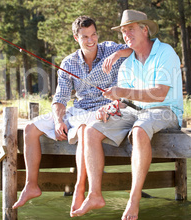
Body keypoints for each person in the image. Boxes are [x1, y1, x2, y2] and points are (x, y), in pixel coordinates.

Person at [12, 15, 132, 213]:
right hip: (78, 110)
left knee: (83, 131)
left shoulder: (110, 48)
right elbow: (60, 99)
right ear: (76, 38)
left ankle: (80, 189)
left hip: (103, 111)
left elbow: (137, 48)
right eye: (85, 36)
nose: (91, 40)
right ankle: (31, 185)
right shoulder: (69, 63)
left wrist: (118, 55)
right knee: (30, 128)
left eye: (93, 34)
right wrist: (59, 121)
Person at [71, 10, 183, 220]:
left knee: (139, 130)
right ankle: (95, 194)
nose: (126, 35)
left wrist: (122, 93)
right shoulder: (128, 62)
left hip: (166, 111)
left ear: (145, 29)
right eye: (123, 31)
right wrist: (111, 107)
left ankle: (133, 199)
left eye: (130, 29)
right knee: (91, 130)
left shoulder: (165, 52)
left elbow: (159, 94)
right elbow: (124, 101)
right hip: (134, 111)